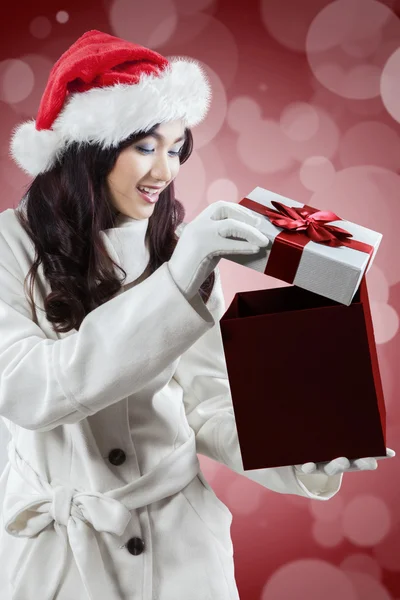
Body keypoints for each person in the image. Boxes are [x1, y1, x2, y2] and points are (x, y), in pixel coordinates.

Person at [0, 29, 393, 600]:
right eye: (145, 146)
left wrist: (304, 450)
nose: (165, 170)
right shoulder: (9, 245)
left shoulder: (180, 247)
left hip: (181, 552)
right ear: (91, 147)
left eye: (177, 146)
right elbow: (28, 388)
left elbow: (206, 402)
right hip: (60, 557)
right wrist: (179, 280)